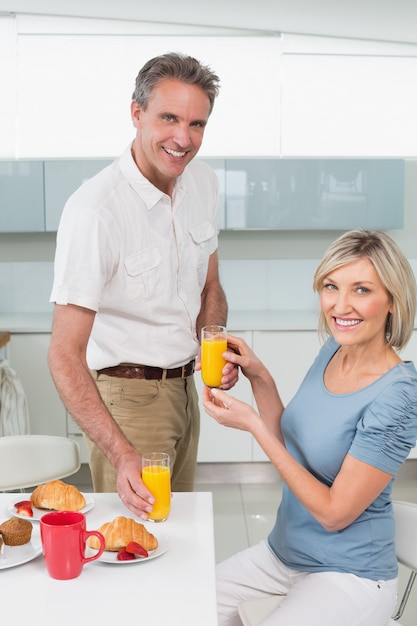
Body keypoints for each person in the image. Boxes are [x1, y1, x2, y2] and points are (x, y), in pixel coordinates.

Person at [48, 52, 237, 521]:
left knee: (180, 539)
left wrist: (212, 348)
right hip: (127, 402)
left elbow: (210, 286)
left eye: (197, 124)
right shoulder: (96, 210)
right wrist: (120, 451)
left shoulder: (204, 182)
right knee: (133, 544)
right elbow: (63, 354)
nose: (183, 138)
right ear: (136, 113)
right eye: (169, 118)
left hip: (187, 393)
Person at [203, 230, 417, 626]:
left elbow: (336, 514)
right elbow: (294, 441)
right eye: (331, 286)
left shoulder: (398, 395)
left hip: (350, 575)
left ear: (393, 300)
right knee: (180, 607)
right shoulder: (334, 349)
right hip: (283, 554)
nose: (340, 305)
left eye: (362, 290)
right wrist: (258, 374)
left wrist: (252, 424)